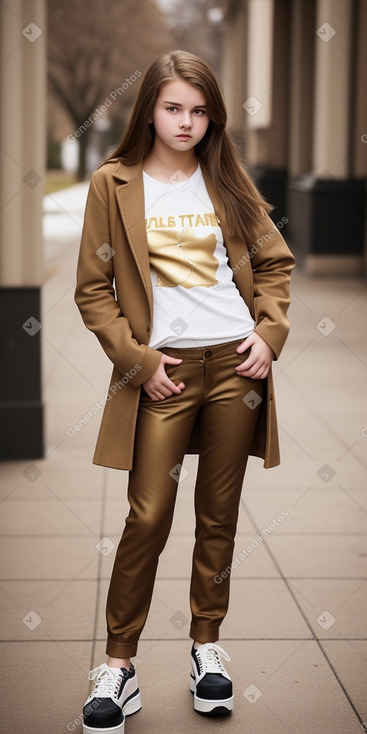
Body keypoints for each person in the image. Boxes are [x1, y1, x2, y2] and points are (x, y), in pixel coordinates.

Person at [75, 49, 295, 734]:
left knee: (218, 514)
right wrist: (139, 362)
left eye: (199, 111)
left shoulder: (225, 177)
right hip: (161, 375)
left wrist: (269, 332)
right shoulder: (113, 184)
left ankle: (206, 647)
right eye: (173, 107)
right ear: (148, 110)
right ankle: (119, 665)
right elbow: (91, 291)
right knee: (147, 515)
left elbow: (273, 262)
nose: (186, 121)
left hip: (235, 367)